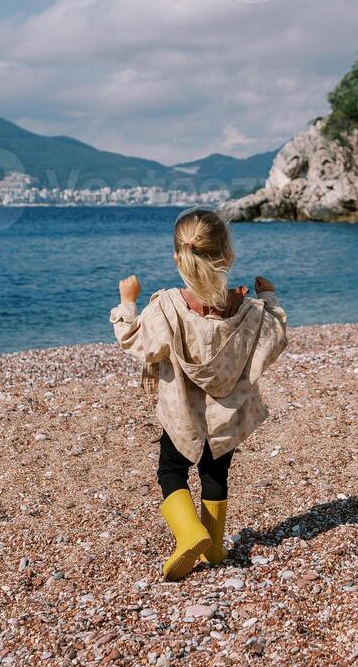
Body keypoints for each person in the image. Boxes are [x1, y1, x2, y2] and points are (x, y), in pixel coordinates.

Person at [110, 208, 288, 581]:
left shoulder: (168, 306)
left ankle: (190, 533)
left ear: (179, 258)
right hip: (225, 415)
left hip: (183, 415)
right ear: (228, 256)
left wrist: (128, 303)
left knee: (171, 470)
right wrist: (268, 297)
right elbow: (275, 337)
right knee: (215, 471)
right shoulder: (248, 310)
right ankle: (216, 548)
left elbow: (137, 341)